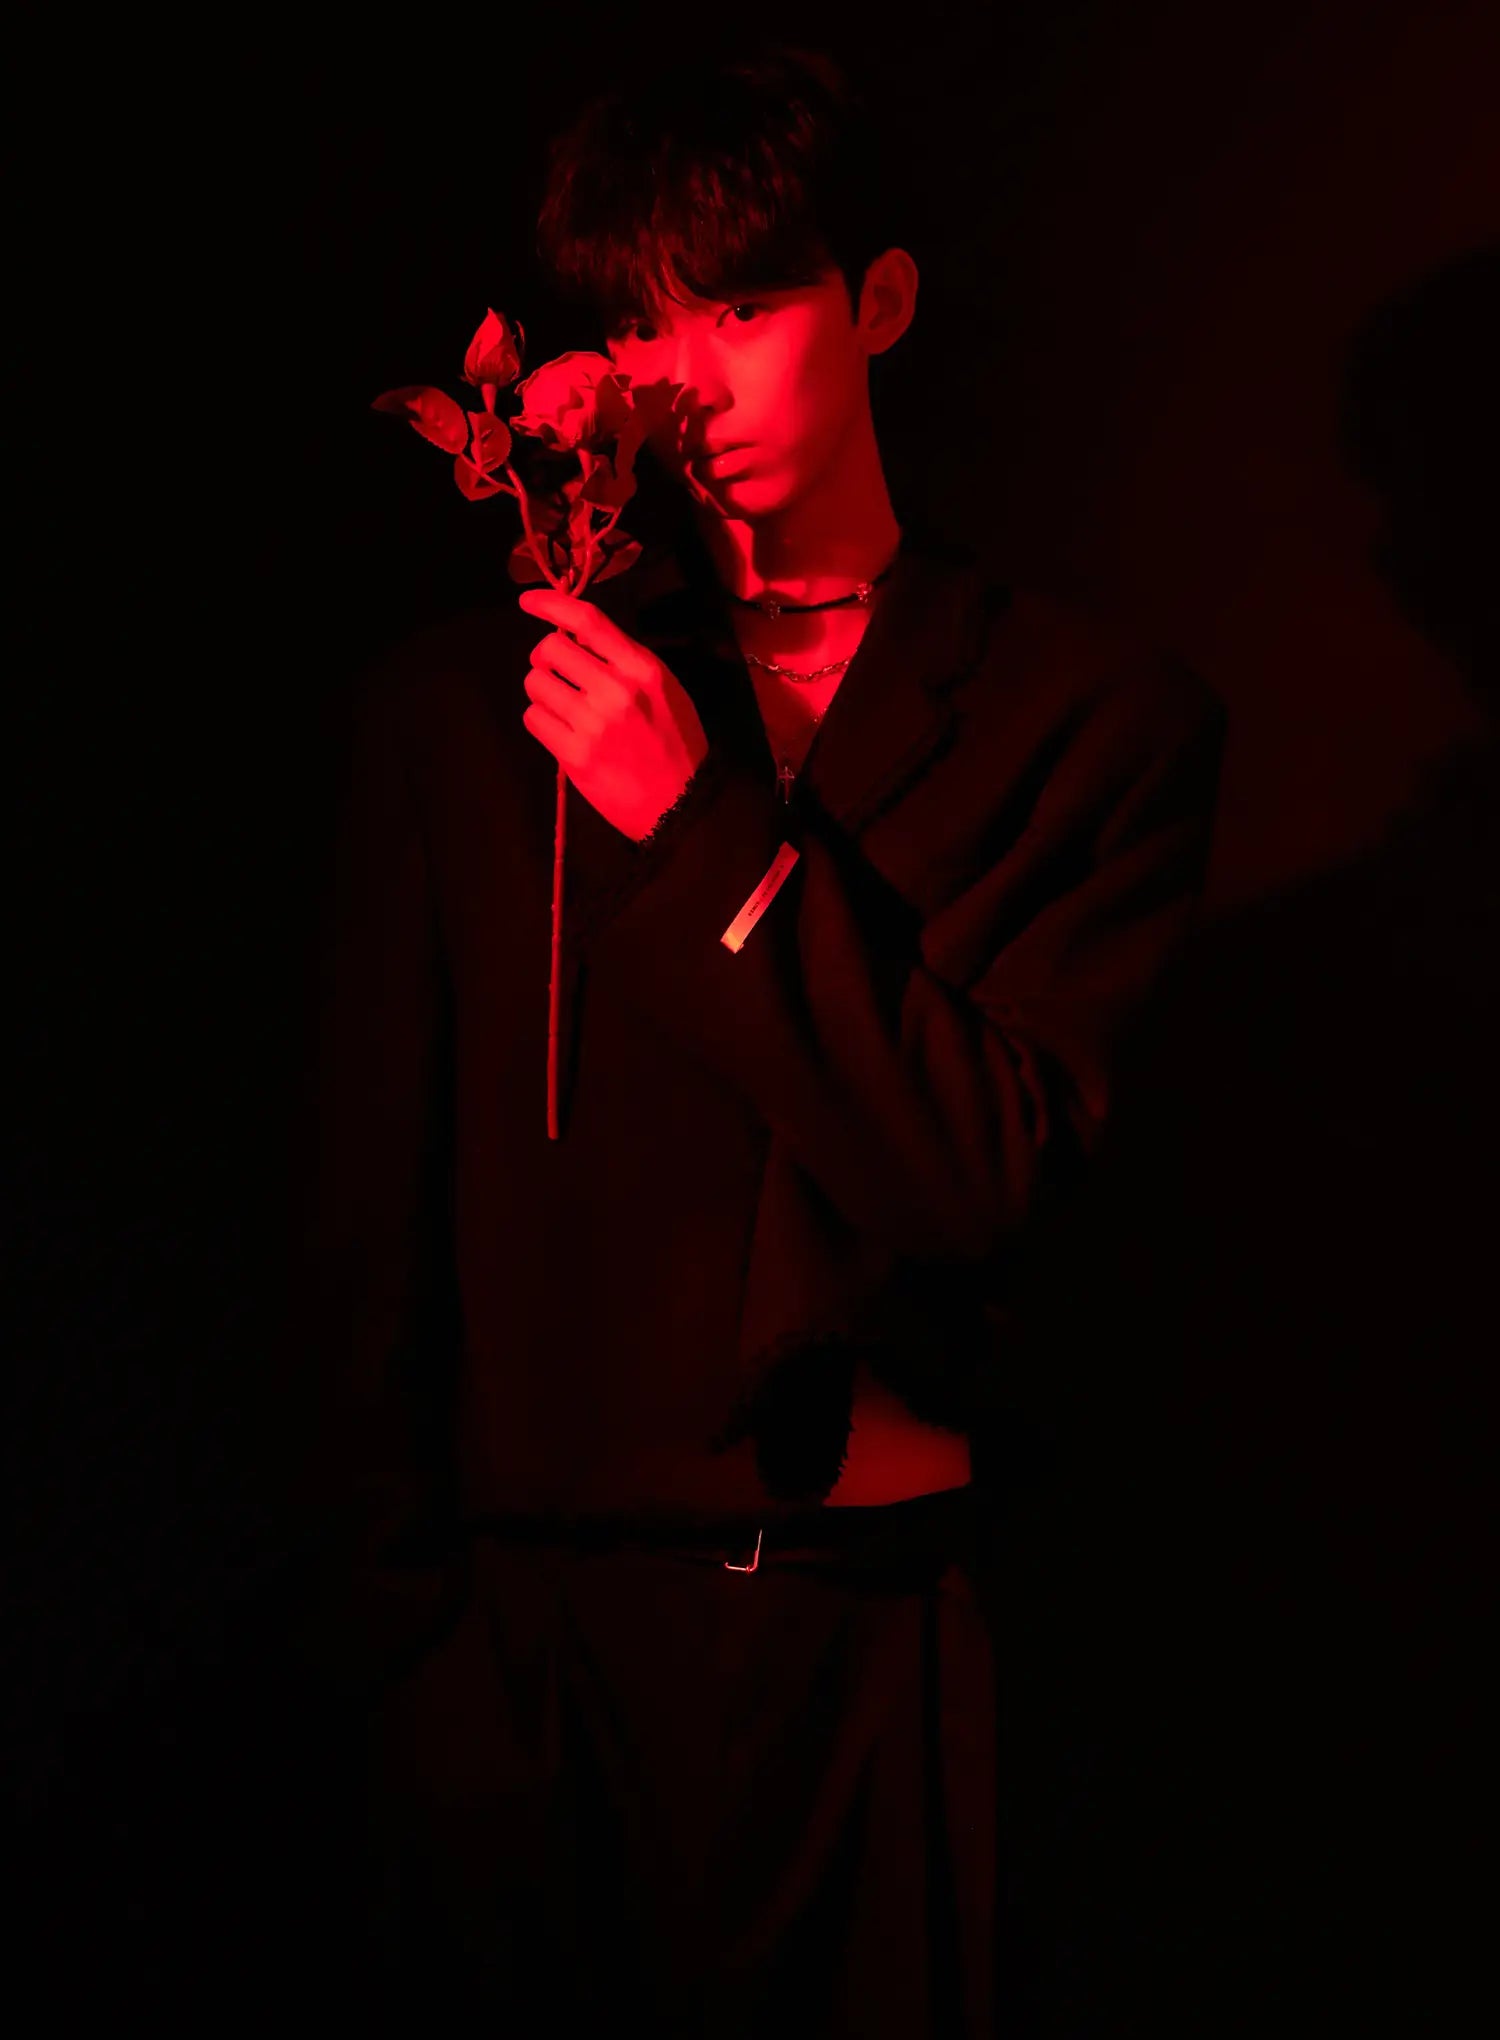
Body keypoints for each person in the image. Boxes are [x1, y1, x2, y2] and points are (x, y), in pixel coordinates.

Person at [280, 37, 1227, 2038]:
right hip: (529, 1668)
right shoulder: (470, 713)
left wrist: (704, 832)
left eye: (743, 308)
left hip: (875, 1644)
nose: (689, 382)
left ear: (877, 298)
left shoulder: (1086, 723)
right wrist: (411, 1658)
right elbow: (368, 1238)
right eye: (640, 327)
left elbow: (987, 1174)